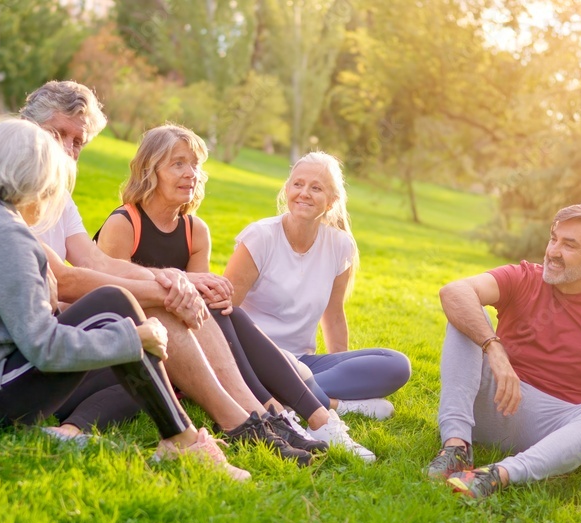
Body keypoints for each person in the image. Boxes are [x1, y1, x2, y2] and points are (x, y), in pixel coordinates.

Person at [0, 81, 312, 467]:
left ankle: (253, 419)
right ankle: (237, 424)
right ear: (26, 129)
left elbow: (95, 263)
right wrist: (163, 290)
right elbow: (63, 281)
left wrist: (172, 278)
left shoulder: (56, 198)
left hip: (46, 344)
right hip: (15, 355)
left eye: (77, 141)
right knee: (138, 309)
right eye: (56, 135)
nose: (66, 150)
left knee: (161, 319)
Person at [0, 120, 249, 480]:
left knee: (120, 320)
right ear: (34, 179)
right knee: (115, 307)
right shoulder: (5, 235)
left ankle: (176, 438)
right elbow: (43, 347)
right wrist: (134, 338)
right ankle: (184, 441)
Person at [93, 124, 376, 461]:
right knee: (226, 312)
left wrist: (210, 291)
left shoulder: (195, 230)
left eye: (195, 164)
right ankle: (281, 417)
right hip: (133, 338)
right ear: (148, 171)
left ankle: (300, 418)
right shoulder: (124, 224)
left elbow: (198, 305)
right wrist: (184, 289)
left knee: (224, 309)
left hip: (183, 340)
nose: (191, 174)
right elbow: (112, 296)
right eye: (178, 164)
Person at [426, 204, 581, 499]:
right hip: (492, 402)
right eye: (553, 238)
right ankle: (456, 447)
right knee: (466, 316)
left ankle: (498, 475)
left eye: (569, 245)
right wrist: (494, 347)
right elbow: (454, 292)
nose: (554, 251)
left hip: (550, 431)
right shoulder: (524, 276)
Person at [223, 152, 411, 420]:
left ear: (331, 201)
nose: (304, 193)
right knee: (272, 369)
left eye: (316, 188)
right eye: (298, 184)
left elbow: (333, 315)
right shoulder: (260, 237)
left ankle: (291, 397)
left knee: (396, 365)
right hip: (255, 360)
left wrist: (348, 373)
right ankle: (337, 406)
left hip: (303, 363)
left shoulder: (340, 245)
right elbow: (225, 312)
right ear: (287, 189)